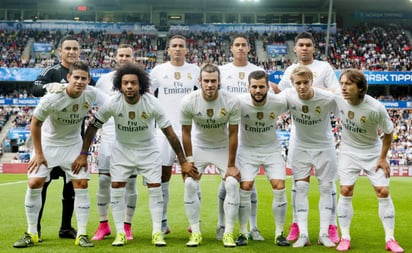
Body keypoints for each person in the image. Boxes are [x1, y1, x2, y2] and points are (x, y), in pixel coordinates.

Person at [72, 62, 193, 247]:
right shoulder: (113, 102)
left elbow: (170, 133)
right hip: (122, 150)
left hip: (148, 150)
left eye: (133, 83)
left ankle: (156, 233)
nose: (129, 86)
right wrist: (83, 153)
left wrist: (183, 161)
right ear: (119, 85)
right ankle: (120, 233)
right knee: (117, 187)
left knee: (155, 188)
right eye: (125, 83)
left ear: (141, 85)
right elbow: (93, 126)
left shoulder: (152, 103)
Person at [13, 61, 105, 248]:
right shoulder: (52, 97)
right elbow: (35, 123)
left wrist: (84, 153)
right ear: (68, 78)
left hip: (73, 144)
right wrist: (38, 153)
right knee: (34, 182)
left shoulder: (91, 94)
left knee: (81, 183)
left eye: (84, 78)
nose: (80, 81)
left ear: (88, 80)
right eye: (76, 77)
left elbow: (113, 103)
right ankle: (32, 232)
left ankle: (81, 234)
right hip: (48, 143)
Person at [273, 31, 340, 243]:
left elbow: (337, 93)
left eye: (308, 45)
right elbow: (281, 94)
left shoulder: (324, 67)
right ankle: (297, 225)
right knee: (298, 185)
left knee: (327, 185)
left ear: (313, 48)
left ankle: (329, 227)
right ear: (295, 48)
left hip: (322, 138)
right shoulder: (290, 70)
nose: (304, 48)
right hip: (298, 137)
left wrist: (310, 87)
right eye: (300, 45)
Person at [31, 35, 96, 241]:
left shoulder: (84, 76)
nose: (71, 52)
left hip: (74, 140)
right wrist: (51, 87)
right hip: (51, 138)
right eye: (67, 48)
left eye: (75, 48)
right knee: (41, 185)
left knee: (71, 188)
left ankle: (66, 227)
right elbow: (34, 89)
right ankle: (36, 229)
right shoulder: (50, 71)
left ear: (79, 52)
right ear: (60, 51)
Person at [334, 69, 404, 253]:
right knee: (345, 189)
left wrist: (382, 158)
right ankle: (345, 237)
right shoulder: (338, 97)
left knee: (383, 191)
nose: (343, 87)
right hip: (348, 152)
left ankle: (390, 239)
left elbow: (389, 132)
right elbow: (316, 91)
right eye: (341, 83)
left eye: (348, 83)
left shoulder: (376, 108)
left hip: (372, 152)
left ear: (360, 87)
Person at [181, 63, 241, 247]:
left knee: (232, 183)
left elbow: (233, 133)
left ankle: (228, 232)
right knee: (190, 184)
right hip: (199, 146)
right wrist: (189, 161)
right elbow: (185, 132)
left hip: (222, 146)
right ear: (199, 81)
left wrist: (231, 165)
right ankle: (195, 232)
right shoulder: (189, 101)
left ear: (219, 81)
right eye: (206, 81)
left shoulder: (231, 101)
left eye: (213, 81)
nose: (209, 85)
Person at [281, 65, 338, 248]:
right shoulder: (288, 96)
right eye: (298, 83)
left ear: (312, 82)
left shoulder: (328, 98)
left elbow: (347, 108)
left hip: (324, 146)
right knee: (301, 187)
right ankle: (303, 234)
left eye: (306, 82)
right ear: (292, 83)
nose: (302, 86)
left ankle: (324, 233)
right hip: (300, 147)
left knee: (326, 187)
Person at [150, 34, 200, 235]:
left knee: (191, 175)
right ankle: (162, 222)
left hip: (189, 130)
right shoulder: (158, 71)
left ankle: (194, 222)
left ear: (187, 50)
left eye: (181, 46)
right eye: (174, 46)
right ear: (168, 50)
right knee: (163, 175)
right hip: (163, 131)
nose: (178, 49)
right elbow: (148, 95)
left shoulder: (195, 70)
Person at [218, 33, 265, 241]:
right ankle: (222, 226)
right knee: (226, 182)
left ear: (249, 48)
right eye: (236, 44)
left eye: (243, 45)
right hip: (225, 132)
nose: (240, 48)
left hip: (248, 133)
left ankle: (253, 227)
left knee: (248, 183)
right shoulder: (223, 71)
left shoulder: (256, 71)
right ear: (231, 48)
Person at [235, 70, 289, 247]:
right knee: (245, 187)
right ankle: (243, 232)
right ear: (248, 87)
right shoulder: (239, 102)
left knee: (279, 186)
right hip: (247, 150)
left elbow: (297, 100)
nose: (258, 90)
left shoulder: (278, 102)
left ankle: (279, 233)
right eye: (254, 87)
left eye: (261, 87)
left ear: (268, 87)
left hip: (271, 150)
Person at [91, 44, 138, 241]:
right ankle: (104, 226)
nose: (124, 58)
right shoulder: (103, 80)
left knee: (130, 184)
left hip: (132, 138)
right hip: (109, 136)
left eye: (128, 55)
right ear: (115, 58)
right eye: (121, 55)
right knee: (103, 181)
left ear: (133, 58)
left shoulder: (140, 80)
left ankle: (127, 226)